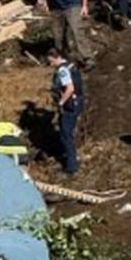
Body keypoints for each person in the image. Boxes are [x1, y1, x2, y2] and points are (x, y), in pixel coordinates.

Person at [47, 48, 85, 176]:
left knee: (66, 134)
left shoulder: (63, 70)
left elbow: (70, 88)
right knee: (66, 132)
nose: (51, 64)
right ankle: (70, 156)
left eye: (51, 61)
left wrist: (61, 102)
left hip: (70, 105)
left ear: (56, 57)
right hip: (77, 102)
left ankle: (71, 166)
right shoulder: (71, 65)